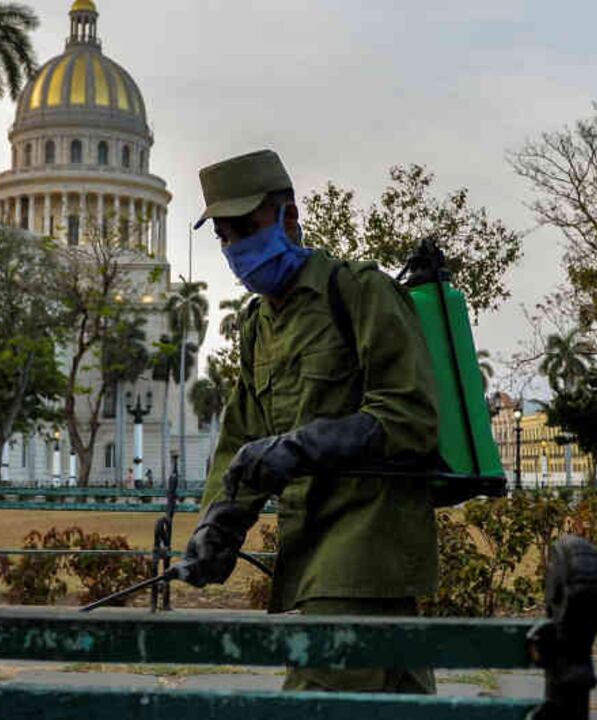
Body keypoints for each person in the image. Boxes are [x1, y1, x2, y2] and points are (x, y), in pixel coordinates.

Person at [182, 149, 440, 694]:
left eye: (246, 228)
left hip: (367, 538)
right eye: (224, 236)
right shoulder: (257, 326)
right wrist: (217, 525)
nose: (235, 248)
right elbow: (241, 441)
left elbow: (411, 416)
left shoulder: (359, 291)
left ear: (289, 218)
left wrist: (300, 448)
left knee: (315, 701)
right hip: (316, 548)